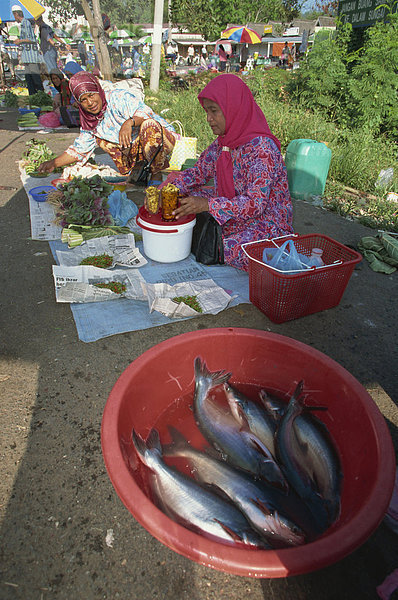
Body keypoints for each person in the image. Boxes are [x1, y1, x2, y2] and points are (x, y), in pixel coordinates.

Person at [163, 74, 293, 271]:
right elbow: (198, 172)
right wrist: (168, 190)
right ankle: (211, 234)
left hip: (264, 221)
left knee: (226, 249)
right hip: (233, 207)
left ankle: (224, 242)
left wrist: (207, 205)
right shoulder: (223, 143)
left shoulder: (262, 150)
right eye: (206, 112)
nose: (209, 119)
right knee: (184, 200)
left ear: (233, 109)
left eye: (214, 111)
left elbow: (255, 204)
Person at [38, 72, 177, 182]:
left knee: (148, 125)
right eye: (83, 100)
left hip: (162, 140)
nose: (90, 103)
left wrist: (129, 123)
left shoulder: (118, 97)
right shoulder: (89, 120)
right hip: (135, 148)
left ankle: (156, 174)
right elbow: (79, 149)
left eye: (91, 95)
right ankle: (137, 169)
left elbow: (146, 113)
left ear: (98, 90)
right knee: (102, 140)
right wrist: (54, 163)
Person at [12, 5, 43, 95]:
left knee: (35, 79)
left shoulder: (26, 23)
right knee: (29, 80)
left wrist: (19, 41)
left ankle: (41, 97)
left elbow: (32, 40)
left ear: (17, 14)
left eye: (14, 15)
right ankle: (33, 98)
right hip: (27, 57)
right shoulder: (23, 24)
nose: (14, 18)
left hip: (31, 57)